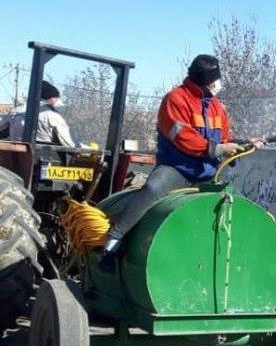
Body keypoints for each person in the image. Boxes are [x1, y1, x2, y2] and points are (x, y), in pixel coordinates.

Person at [99, 54, 262, 271]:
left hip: (207, 173)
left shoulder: (217, 108)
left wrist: (242, 145)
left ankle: (254, 263)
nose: (219, 84)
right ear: (205, 80)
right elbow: (183, 137)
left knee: (236, 206)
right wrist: (219, 148)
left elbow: (223, 140)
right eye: (215, 79)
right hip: (176, 169)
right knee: (151, 189)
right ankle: (113, 243)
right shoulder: (175, 99)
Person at [0, 80, 78, 146]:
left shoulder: (14, 112)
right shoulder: (52, 116)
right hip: (45, 159)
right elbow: (69, 142)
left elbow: (2, 127)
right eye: (57, 98)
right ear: (51, 98)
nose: (58, 101)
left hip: (16, 158)